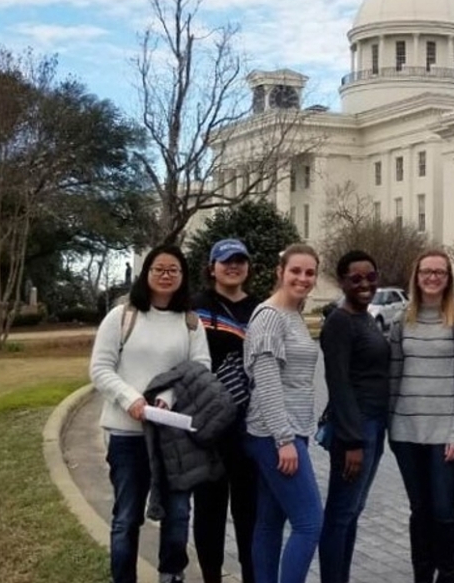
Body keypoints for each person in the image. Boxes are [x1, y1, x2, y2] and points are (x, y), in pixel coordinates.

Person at [89, 244, 211, 583]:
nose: (166, 275)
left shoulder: (189, 321)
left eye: (174, 269)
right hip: (127, 435)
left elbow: (200, 368)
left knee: (178, 514)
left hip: (173, 436)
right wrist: (131, 399)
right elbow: (100, 369)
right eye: (159, 268)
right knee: (127, 516)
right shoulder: (122, 316)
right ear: (147, 273)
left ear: (183, 276)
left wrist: (168, 398)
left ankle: (171, 574)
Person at [388, 249, 454, 583]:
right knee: (419, 510)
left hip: (446, 435)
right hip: (407, 431)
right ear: (416, 275)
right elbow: (395, 374)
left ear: (448, 277)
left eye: (440, 272)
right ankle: (422, 574)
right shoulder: (402, 319)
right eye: (426, 271)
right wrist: (391, 425)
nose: (433, 277)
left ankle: (448, 574)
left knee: (443, 509)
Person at [243, 243, 324, 583]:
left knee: (270, 520)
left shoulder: (293, 315)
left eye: (309, 273)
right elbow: (266, 382)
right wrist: (284, 440)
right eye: (295, 271)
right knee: (309, 521)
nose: (302, 278)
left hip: (290, 431)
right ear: (280, 272)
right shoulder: (269, 317)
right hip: (274, 434)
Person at [318, 250, 391, 583]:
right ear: (343, 281)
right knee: (340, 514)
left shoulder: (365, 317)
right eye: (356, 278)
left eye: (371, 277)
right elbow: (339, 383)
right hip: (355, 430)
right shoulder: (339, 322)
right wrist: (352, 441)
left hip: (374, 425)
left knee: (352, 512)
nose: (365, 284)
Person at [190, 238, 259, 583]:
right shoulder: (195, 307)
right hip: (209, 427)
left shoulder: (261, 309)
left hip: (250, 426)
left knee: (249, 512)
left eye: (240, 261)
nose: (233, 266)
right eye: (226, 261)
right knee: (209, 509)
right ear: (212, 267)